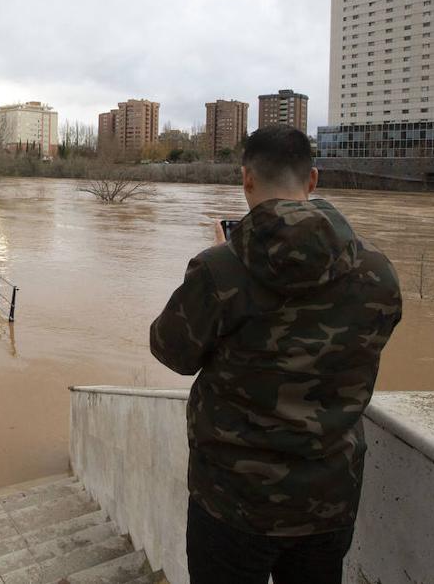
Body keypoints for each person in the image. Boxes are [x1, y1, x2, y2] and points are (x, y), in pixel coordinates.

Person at [150, 124, 402, 584]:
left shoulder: (219, 270)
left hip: (231, 500)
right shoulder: (378, 272)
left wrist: (217, 266)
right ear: (313, 180)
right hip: (329, 497)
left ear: (246, 179)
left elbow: (171, 351)